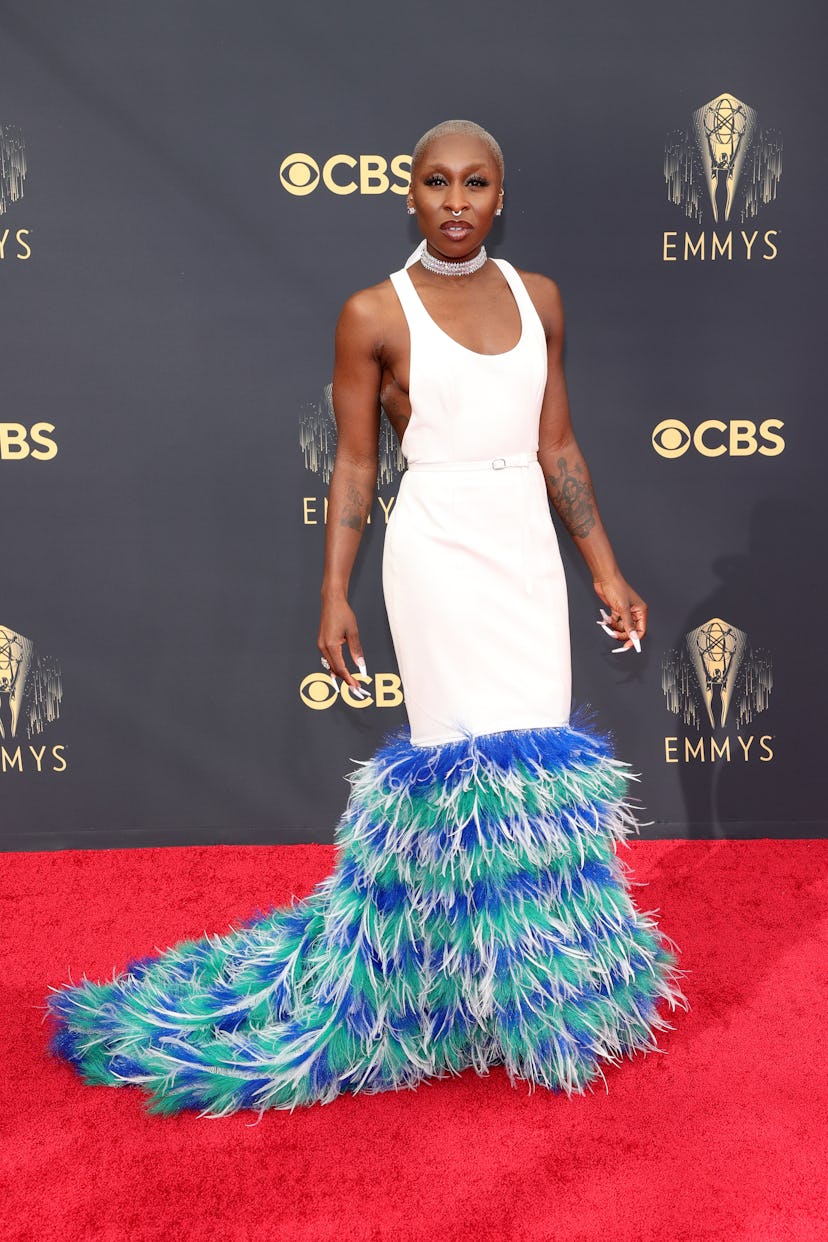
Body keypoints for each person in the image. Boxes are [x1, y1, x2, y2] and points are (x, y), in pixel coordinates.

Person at [47, 119, 685, 1117]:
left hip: (524, 548)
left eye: (477, 182)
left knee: (538, 770)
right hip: (435, 551)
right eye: (438, 182)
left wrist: (604, 569)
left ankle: (529, 987)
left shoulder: (541, 300)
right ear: (411, 194)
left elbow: (559, 444)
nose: (458, 200)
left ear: (501, 196)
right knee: (462, 769)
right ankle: (444, 992)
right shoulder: (373, 313)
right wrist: (333, 588)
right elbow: (355, 462)